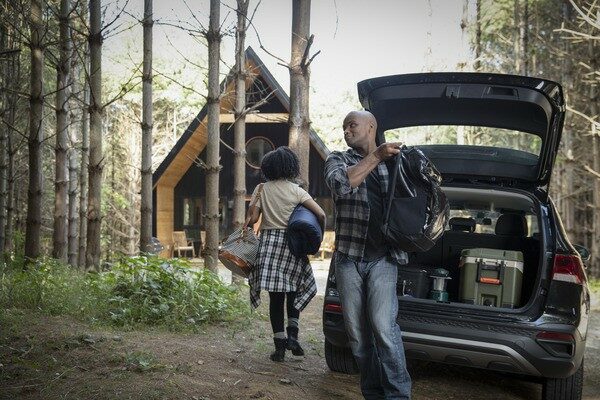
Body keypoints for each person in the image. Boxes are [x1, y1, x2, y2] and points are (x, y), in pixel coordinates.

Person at [324, 110, 412, 399]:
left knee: (384, 329)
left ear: (371, 125)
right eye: (344, 127)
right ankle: (373, 394)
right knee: (358, 337)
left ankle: (398, 396)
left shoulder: (397, 163)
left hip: (384, 258)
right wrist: (376, 156)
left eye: (352, 125)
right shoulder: (338, 159)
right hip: (348, 258)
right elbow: (340, 184)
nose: (346, 131)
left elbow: (417, 199)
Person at [245, 146, 326, 362]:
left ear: (267, 168)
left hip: (269, 245)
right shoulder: (297, 190)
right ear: (291, 167)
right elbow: (321, 213)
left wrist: (252, 209)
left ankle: (279, 348)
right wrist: (319, 236)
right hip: (293, 244)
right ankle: (293, 336)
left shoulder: (261, 189)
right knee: (293, 291)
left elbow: (253, 220)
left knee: (275, 298)